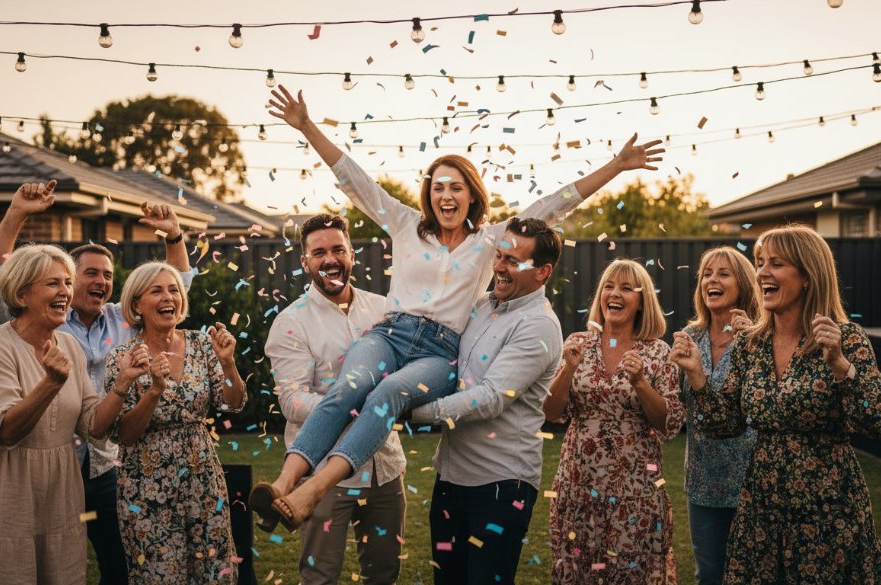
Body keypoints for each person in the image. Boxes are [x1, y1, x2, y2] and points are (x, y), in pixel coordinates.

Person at [251, 85, 664, 532]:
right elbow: (356, 181)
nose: (446, 195)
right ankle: (283, 483)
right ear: (429, 194)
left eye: (456, 187)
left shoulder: (491, 241)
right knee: (346, 388)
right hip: (389, 335)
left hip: (438, 351)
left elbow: (557, 203)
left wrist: (617, 166)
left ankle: (313, 491)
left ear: (471, 195)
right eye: (437, 187)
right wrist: (307, 126)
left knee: (386, 396)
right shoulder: (406, 224)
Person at [0, 180, 193, 584]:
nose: (99, 282)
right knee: (30, 561)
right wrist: (17, 213)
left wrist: (174, 236)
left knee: (119, 564)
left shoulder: (123, 321)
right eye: (88, 273)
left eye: (106, 275)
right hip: (39, 467)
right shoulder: (27, 323)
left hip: (106, 466)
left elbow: (176, 287)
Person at [677, 225, 881, 584]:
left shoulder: (845, 338)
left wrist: (842, 367)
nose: (762, 272)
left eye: (776, 263)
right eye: (760, 262)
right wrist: (698, 379)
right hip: (760, 511)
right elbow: (725, 424)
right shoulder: (751, 343)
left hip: (827, 508)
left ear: (808, 275)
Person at [0, 244, 128, 584]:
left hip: (56, 487)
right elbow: (4, 432)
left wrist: (124, 384)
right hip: (1, 481)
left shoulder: (67, 346)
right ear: (22, 295)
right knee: (5, 569)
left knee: (58, 570)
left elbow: (93, 424)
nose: (65, 292)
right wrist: (51, 383)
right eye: (53, 284)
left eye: (68, 282)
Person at [408, 217, 565, 585]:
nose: (499, 267)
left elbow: (492, 397)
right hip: (449, 480)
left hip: (500, 489)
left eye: (513, 261)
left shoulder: (539, 325)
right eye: (499, 255)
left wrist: (412, 412)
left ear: (543, 272)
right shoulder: (480, 306)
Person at [263, 214, 406, 584]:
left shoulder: (384, 309)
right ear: (305, 261)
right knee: (320, 576)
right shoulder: (290, 322)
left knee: (385, 573)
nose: (330, 259)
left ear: (352, 255)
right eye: (319, 252)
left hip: (385, 469)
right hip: (322, 472)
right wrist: (355, 411)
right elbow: (292, 400)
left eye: (338, 249)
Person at [105, 261, 248, 584]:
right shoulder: (123, 357)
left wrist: (228, 364)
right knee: (159, 573)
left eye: (173, 290)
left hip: (202, 478)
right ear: (137, 304)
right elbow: (124, 435)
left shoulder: (200, 344)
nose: (168, 297)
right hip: (146, 484)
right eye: (156, 290)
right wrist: (154, 391)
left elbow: (234, 403)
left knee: (214, 570)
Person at [543, 259, 683, 584]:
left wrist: (641, 383)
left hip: (635, 492)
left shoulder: (657, 353)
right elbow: (550, 412)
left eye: (625, 288)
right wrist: (568, 369)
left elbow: (668, 423)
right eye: (609, 286)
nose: (614, 294)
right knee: (579, 573)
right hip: (578, 486)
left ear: (642, 300)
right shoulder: (578, 343)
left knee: (632, 574)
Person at [671, 246, 761, 585]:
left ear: (743, 284)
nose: (712, 279)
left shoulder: (760, 336)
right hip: (704, 478)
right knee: (709, 573)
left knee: (755, 573)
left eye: (723, 273)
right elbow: (677, 402)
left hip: (753, 478)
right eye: (707, 274)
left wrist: (751, 341)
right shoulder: (689, 336)